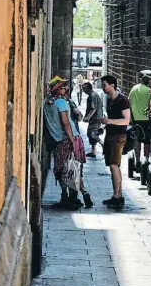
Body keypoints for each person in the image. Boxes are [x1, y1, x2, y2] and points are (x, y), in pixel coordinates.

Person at [43, 76, 93, 209]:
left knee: (61, 169)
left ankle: (68, 196)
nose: (66, 89)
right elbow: (65, 122)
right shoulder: (61, 103)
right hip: (69, 138)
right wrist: (71, 140)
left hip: (58, 141)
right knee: (72, 169)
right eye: (63, 87)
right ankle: (79, 194)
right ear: (57, 89)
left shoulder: (47, 102)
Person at [100, 75, 131, 208]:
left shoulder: (122, 100)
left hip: (119, 136)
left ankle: (117, 196)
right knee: (114, 166)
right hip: (110, 134)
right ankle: (118, 195)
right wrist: (104, 125)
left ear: (112, 85)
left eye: (104, 85)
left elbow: (126, 120)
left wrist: (109, 121)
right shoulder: (109, 99)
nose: (103, 88)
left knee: (114, 165)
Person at [128, 70, 151, 161]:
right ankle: (146, 159)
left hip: (135, 119)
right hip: (146, 120)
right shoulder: (150, 91)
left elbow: (129, 102)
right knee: (147, 141)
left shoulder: (134, 88)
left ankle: (138, 160)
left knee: (137, 140)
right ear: (147, 79)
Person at [82, 82, 104, 157]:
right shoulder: (94, 95)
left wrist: (88, 117)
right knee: (93, 133)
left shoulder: (92, 96)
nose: (83, 90)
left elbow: (93, 108)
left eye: (84, 88)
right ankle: (93, 151)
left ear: (88, 88)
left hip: (95, 118)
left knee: (92, 134)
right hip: (97, 117)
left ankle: (103, 145)